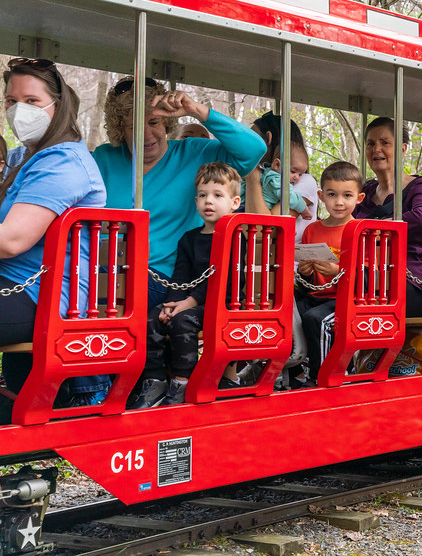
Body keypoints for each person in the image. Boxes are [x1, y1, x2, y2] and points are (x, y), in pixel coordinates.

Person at [93, 77, 265, 308]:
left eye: (154, 122)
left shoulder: (195, 152)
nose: (147, 134)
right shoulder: (104, 157)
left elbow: (254, 150)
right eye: (135, 126)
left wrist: (199, 112)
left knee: (106, 299)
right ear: (120, 129)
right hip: (97, 270)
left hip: (160, 277)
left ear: (167, 123)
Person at [0, 58, 106, 420]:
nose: (18, 111)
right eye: (11, 101)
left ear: (56, 107)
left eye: (31, 101)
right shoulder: (23, 158)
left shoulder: (63, 162)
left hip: (38, 295)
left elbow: (12, 239)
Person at [129, 163, 242, 408]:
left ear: (234, 202)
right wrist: (170, 304)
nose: (208, 201)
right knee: (152, 318)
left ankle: (182, 381)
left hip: (224, 302)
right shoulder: (189, 238)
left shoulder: (235, 237)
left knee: (183, 321)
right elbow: (180, 276)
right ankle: (155, 379)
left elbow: (225, 280)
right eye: (202, 195)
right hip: (190, 301)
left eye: (217, 195)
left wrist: (187, 304)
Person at [353, 117, 422, 318]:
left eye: (385, 143)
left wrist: (381, 227)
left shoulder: (419, 187)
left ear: (402, 148)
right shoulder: (365, 191)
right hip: (369, 277)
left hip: (412, 285)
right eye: (371, 144)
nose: (376, 149)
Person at [297, 161, 364, 384]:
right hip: (314, 296)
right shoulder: (312, 229)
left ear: (359, 198)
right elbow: (305, 279)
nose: (339, 202)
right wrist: (305, 272)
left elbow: (365, 278)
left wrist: (338, 270)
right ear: (321, 195)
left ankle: (327, 376)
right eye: (332, 194)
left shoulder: (360, 231)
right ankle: (291, 372)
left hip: (344, 299)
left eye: (347, 195)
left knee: (317, 319)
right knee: (289, 313)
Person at [245, 111, 318, 243]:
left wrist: (252, 175)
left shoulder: (305, 181)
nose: (246, 145)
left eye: (251, 139)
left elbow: (262, 231)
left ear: (268, 138)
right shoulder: (265, 175)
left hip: (293, 261)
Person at [258, 143, 309, 215]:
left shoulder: (266, 173)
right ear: (277, 164)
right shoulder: (277, 180)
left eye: (300, 174)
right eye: (293, 171)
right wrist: (303, 208)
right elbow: (288, 197)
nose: (297, 178)